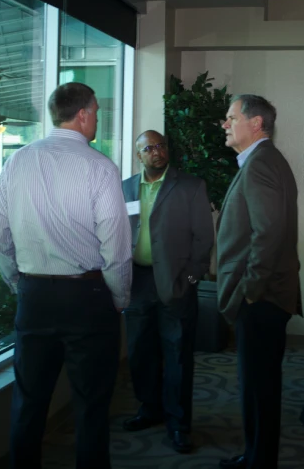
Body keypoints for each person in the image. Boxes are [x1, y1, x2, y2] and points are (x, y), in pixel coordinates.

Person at [0, 82, 132, 469]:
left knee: (29, 401)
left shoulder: (17, 161)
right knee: (90, 404)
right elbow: (116, 248)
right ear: (83, 114)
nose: (98, 118)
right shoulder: (100, 167)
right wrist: (119, 298)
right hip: (88, 300)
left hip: (34, 297)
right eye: (97, 111)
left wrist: (19, 283)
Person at [215, 95, 302, 469]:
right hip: (266, 296)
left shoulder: (261, 163)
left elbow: (267, 233)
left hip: (261, 299)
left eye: (232, 117)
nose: (225, 123)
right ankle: (256, 455)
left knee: (258, 385)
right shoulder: (263, 160)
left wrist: (250, 289)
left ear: (256, 124)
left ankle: (258, 460)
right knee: (259, 385)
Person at [121, 130, 214, 453]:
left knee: (177, 354)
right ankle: (150, 409)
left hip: (175, 281)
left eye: (161, 145)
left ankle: (179, 424)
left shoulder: (190, 186)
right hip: (137, 282)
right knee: (139, 352)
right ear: (139, 155)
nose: (156, 151)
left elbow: (204, 238)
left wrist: (190, 278)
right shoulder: (126, 188)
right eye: (148, 148)